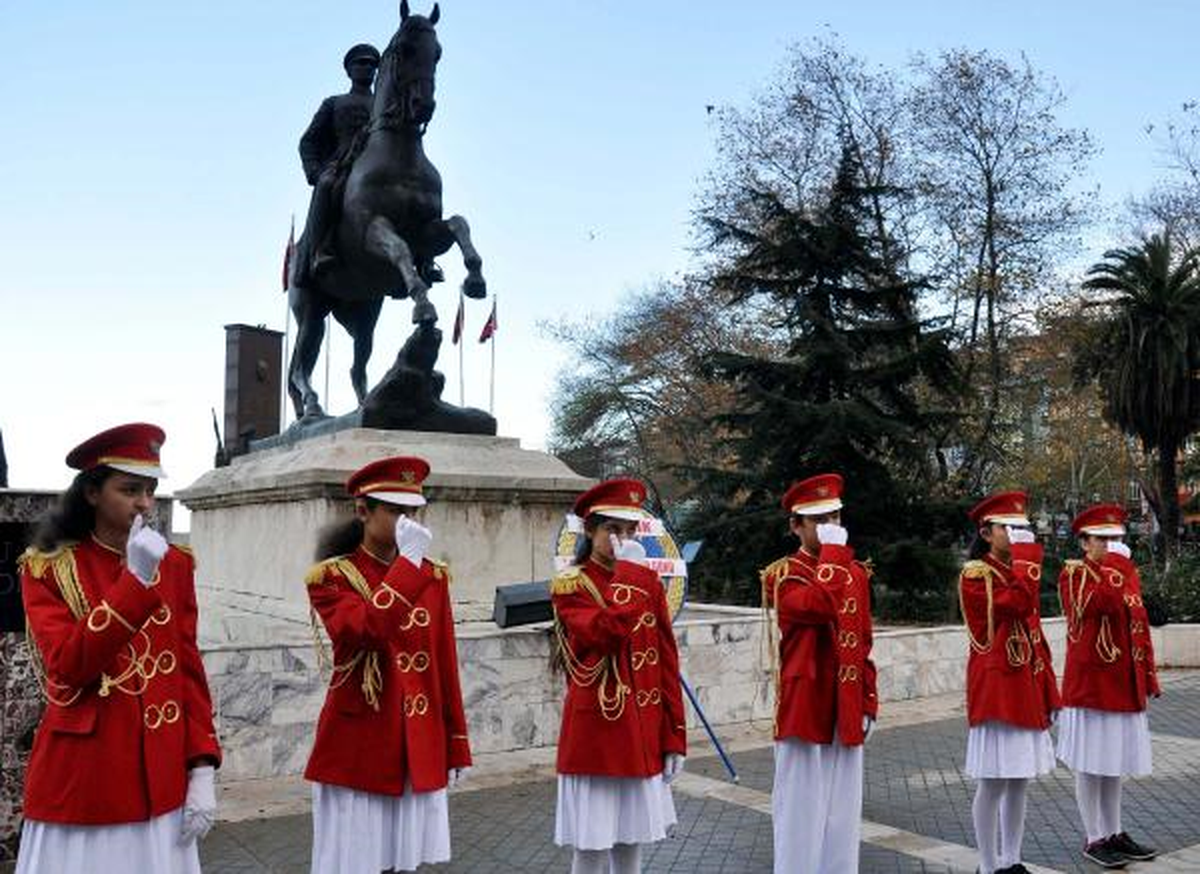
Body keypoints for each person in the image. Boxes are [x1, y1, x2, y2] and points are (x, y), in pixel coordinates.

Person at [16, 422, 220, 873]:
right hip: (87, 778)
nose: (145, 503)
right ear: (92, 492)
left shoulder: (175, 565)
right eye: (129, 490)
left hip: (160, 778)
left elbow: (188, 670)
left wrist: (202, 766)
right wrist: (134, 583)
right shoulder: (49, 569)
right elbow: (69, 665)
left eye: (150, 490)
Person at [304, 455, 470, 873]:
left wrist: (455, 743)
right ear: (363, 510)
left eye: (414, 511)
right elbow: (366, 630)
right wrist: (408, 567)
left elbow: (444, 664)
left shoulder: (432, 576)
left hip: (416, 742)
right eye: (396, 511)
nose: (408, 523)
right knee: (355, 862)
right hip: (360, 744)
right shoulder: (333, 577)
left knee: (404, 863)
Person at [550, 478, 686, 874]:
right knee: (591, 849)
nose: (622, 539)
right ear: (589, 531)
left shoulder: (647, 583)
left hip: (641, 731)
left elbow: (666, 662)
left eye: (629, 530)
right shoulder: (572, 585)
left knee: (631, 845)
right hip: (598, 734)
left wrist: (673, 735)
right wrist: (630, 574)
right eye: (612, 529)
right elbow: (605, 633)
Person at [760, 473, 877, 874]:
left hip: (845, 704)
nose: (830, 527)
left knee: (842, 817)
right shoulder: (783, 574)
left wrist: (868, 701)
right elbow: (818, 605)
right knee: (800, 816)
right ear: (796, 526)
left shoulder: (855, 572)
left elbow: (863, 643)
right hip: (805, 706)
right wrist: (834, 556)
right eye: (819, 520)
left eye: (835, 518)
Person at [959, 490, 1059, 874]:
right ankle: (987, 865)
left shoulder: (1017, 571)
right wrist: (1027, 561)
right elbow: (1015, 605)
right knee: (993, 783)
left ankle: (1012, 860)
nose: (1018, 535)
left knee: (1019, 781)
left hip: (1025, 686)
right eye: (1009, 528)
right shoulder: (976, 575)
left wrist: (1049, 692)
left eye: (1022, 527)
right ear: (986, 533)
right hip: (997, 690)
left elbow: (1035, 636)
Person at [1057, 503, 1160, 868]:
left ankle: (1113, 831)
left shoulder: (1122, 573)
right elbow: (1098, 605)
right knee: (1090, 763)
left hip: (1120, 682)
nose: (1109, 544)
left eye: (1114, 537)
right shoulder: (1074, 574)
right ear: (1084, 542)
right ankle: (1094, 836)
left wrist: (1146, 674)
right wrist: (1117, 567)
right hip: (1091, 685)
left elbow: (1136, 621)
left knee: (1112, 762)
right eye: (1101, 538)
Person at [294, 43, 380, 287]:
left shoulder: (386, 103)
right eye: (361, 63)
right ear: (349, 70)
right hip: (343, 164)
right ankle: (319, 250)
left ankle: (422, 261)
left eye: (372, 64)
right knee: (326, 185)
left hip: (379, 163)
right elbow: (308, 141)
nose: (367, 67)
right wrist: (314, 171)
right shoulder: (334, 103)